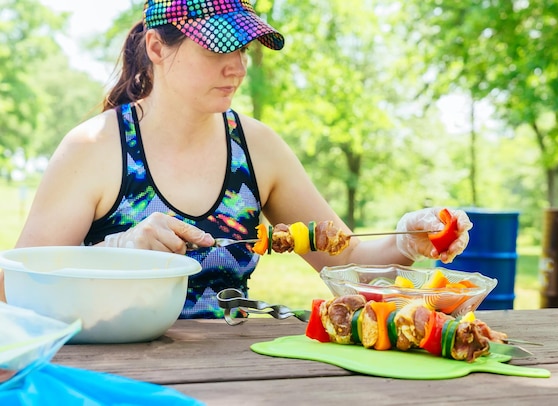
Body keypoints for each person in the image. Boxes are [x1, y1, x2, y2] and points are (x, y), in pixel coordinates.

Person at [4, 0, 473, 316]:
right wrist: (114, 254)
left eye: (243, 48)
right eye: (218, 48)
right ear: (156, 47)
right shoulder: (93, 149)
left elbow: (343, 255)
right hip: (116, 375)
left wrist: (410, 240)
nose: (238, 66)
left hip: (238, 371)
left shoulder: (259, 147)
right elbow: (15, 291)